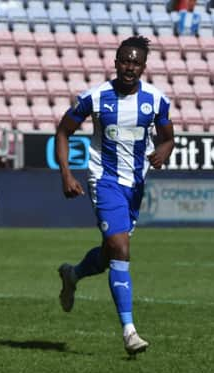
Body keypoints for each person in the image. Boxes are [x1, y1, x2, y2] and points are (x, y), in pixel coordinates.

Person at [55, 36, 174, 356]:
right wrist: (66, 173)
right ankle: (129, 330)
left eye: (135, 62)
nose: (129, 67)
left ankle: (73, 273)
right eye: (124, 61)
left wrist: (163, 150)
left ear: (143, 67)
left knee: (111, 254)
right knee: (121, 247)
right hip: (104, 180)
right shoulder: (95, 98)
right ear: (115, 62)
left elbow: (167, 137)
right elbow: (63, 131)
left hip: (135, 186)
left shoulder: (156, 100)